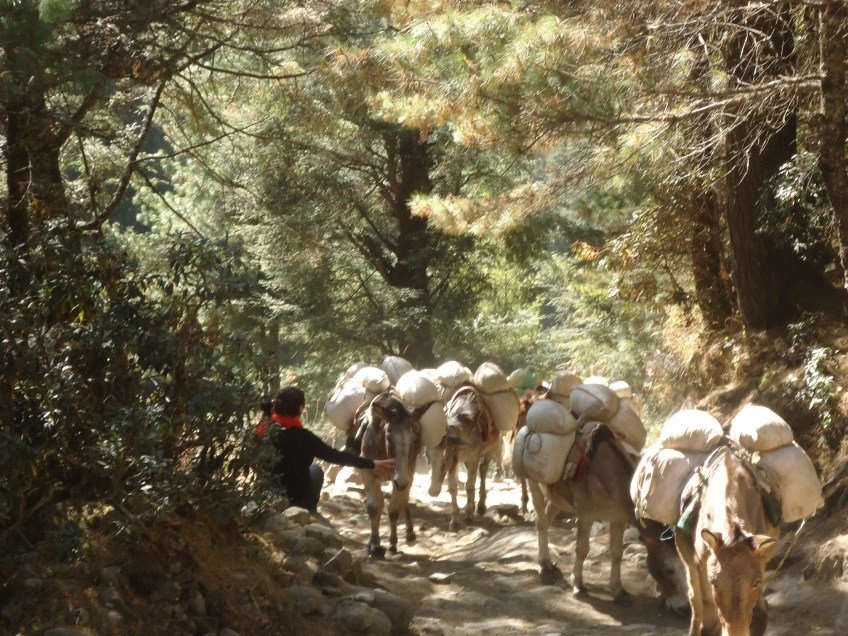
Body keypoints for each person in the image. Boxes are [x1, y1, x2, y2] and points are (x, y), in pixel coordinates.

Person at [267, 385, 394, 511]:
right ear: (301, 408)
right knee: (316, 470)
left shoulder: (265, 430)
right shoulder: (305, 437)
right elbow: (335, 456)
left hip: (268, 497)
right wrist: (371, 464)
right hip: (300, 500)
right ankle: (308, 510)